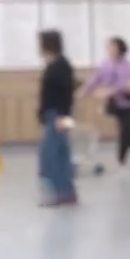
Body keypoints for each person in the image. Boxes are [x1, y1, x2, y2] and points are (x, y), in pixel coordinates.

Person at [83, 37, 130, 166]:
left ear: (120, 49)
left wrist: (111, 90)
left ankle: (123, 157)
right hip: (116, 103)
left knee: (126, 130)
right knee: (125, 130)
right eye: (109, 47)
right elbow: (97, 77)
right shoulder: (106, 64)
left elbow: (126, 84)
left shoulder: (128, 66)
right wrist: (86, 89)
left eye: (113, 47)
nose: (110, 50)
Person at [37, 29, 77, 206]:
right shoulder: (56, 64)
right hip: (57, 113)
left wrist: (62, 115)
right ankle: (67, 191)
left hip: (58, 114)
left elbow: (65, 94)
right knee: (61, 153)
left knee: (50, 155)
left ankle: (58, 192)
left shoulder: (59, 66)